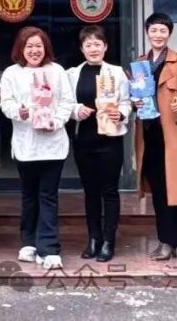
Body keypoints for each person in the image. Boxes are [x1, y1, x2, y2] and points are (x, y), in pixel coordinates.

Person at [0, 26, 75, 270]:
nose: (34, 51)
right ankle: (28, 241)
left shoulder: (57, 71)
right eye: (29, 46)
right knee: (29, 195)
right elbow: (6, 103)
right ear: (21, 49)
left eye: (38, 46)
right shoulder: (12, 73)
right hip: (26, 144)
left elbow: (67, 101)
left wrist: (57, 121)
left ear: (46, 48)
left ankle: (49, 248)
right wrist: (19, 112)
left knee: (48, 195)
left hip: (53, 144)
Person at [133, 13, 177, 262]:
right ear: (147, 32)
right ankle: (166, 239)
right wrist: (135, 101)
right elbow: (135, 94)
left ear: (169, 33)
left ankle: (170, 241)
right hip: (147, 134)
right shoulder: (140, 63)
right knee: (159, 189)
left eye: (163, 30)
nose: (158, 35)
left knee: (172, 189)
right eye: (154, 30)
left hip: (171, 133)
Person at [66, 24, 131, 263]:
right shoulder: (72, 74)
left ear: (105, 47)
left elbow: (127, 102)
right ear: (82, 49)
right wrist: (76, 110)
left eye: (97, 44)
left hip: (110, 139)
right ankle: (93, 238)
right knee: (90, 191)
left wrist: (121, 113)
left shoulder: (117, 72)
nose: (93, 48)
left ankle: (108, 241)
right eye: (88, 44)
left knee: (110, 191)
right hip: (84, 139)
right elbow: (65, 103)